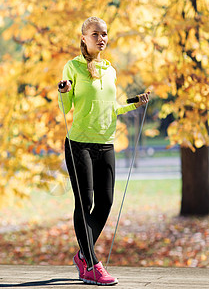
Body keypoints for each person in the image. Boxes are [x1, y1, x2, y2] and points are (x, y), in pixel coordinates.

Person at [58, 16, 150, 286]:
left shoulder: (110, 70)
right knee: (85, 204)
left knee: (106, 202)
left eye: (104, 34)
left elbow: (111, 108)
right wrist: (64, 91)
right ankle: (93, 264)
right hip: (79, 144)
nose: (101, 38)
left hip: (106, 143)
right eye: (95, 34)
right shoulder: (72, 67)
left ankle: (82, 256)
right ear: (84, 38)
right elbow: (65, 108)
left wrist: (134, 105)